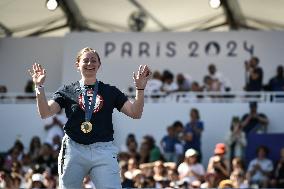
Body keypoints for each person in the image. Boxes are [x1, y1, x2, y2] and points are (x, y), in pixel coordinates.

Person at [28, 47, 151, 189]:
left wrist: (140, 89)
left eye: (94, 60)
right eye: (85, 60)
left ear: (99, 65)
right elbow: (45, 112)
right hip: (74, 149)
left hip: (103, 150)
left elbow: (135, 113)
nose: (89, 63)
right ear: (77, 64)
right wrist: (39, 87)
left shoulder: (110, 91)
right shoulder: (66, 91)